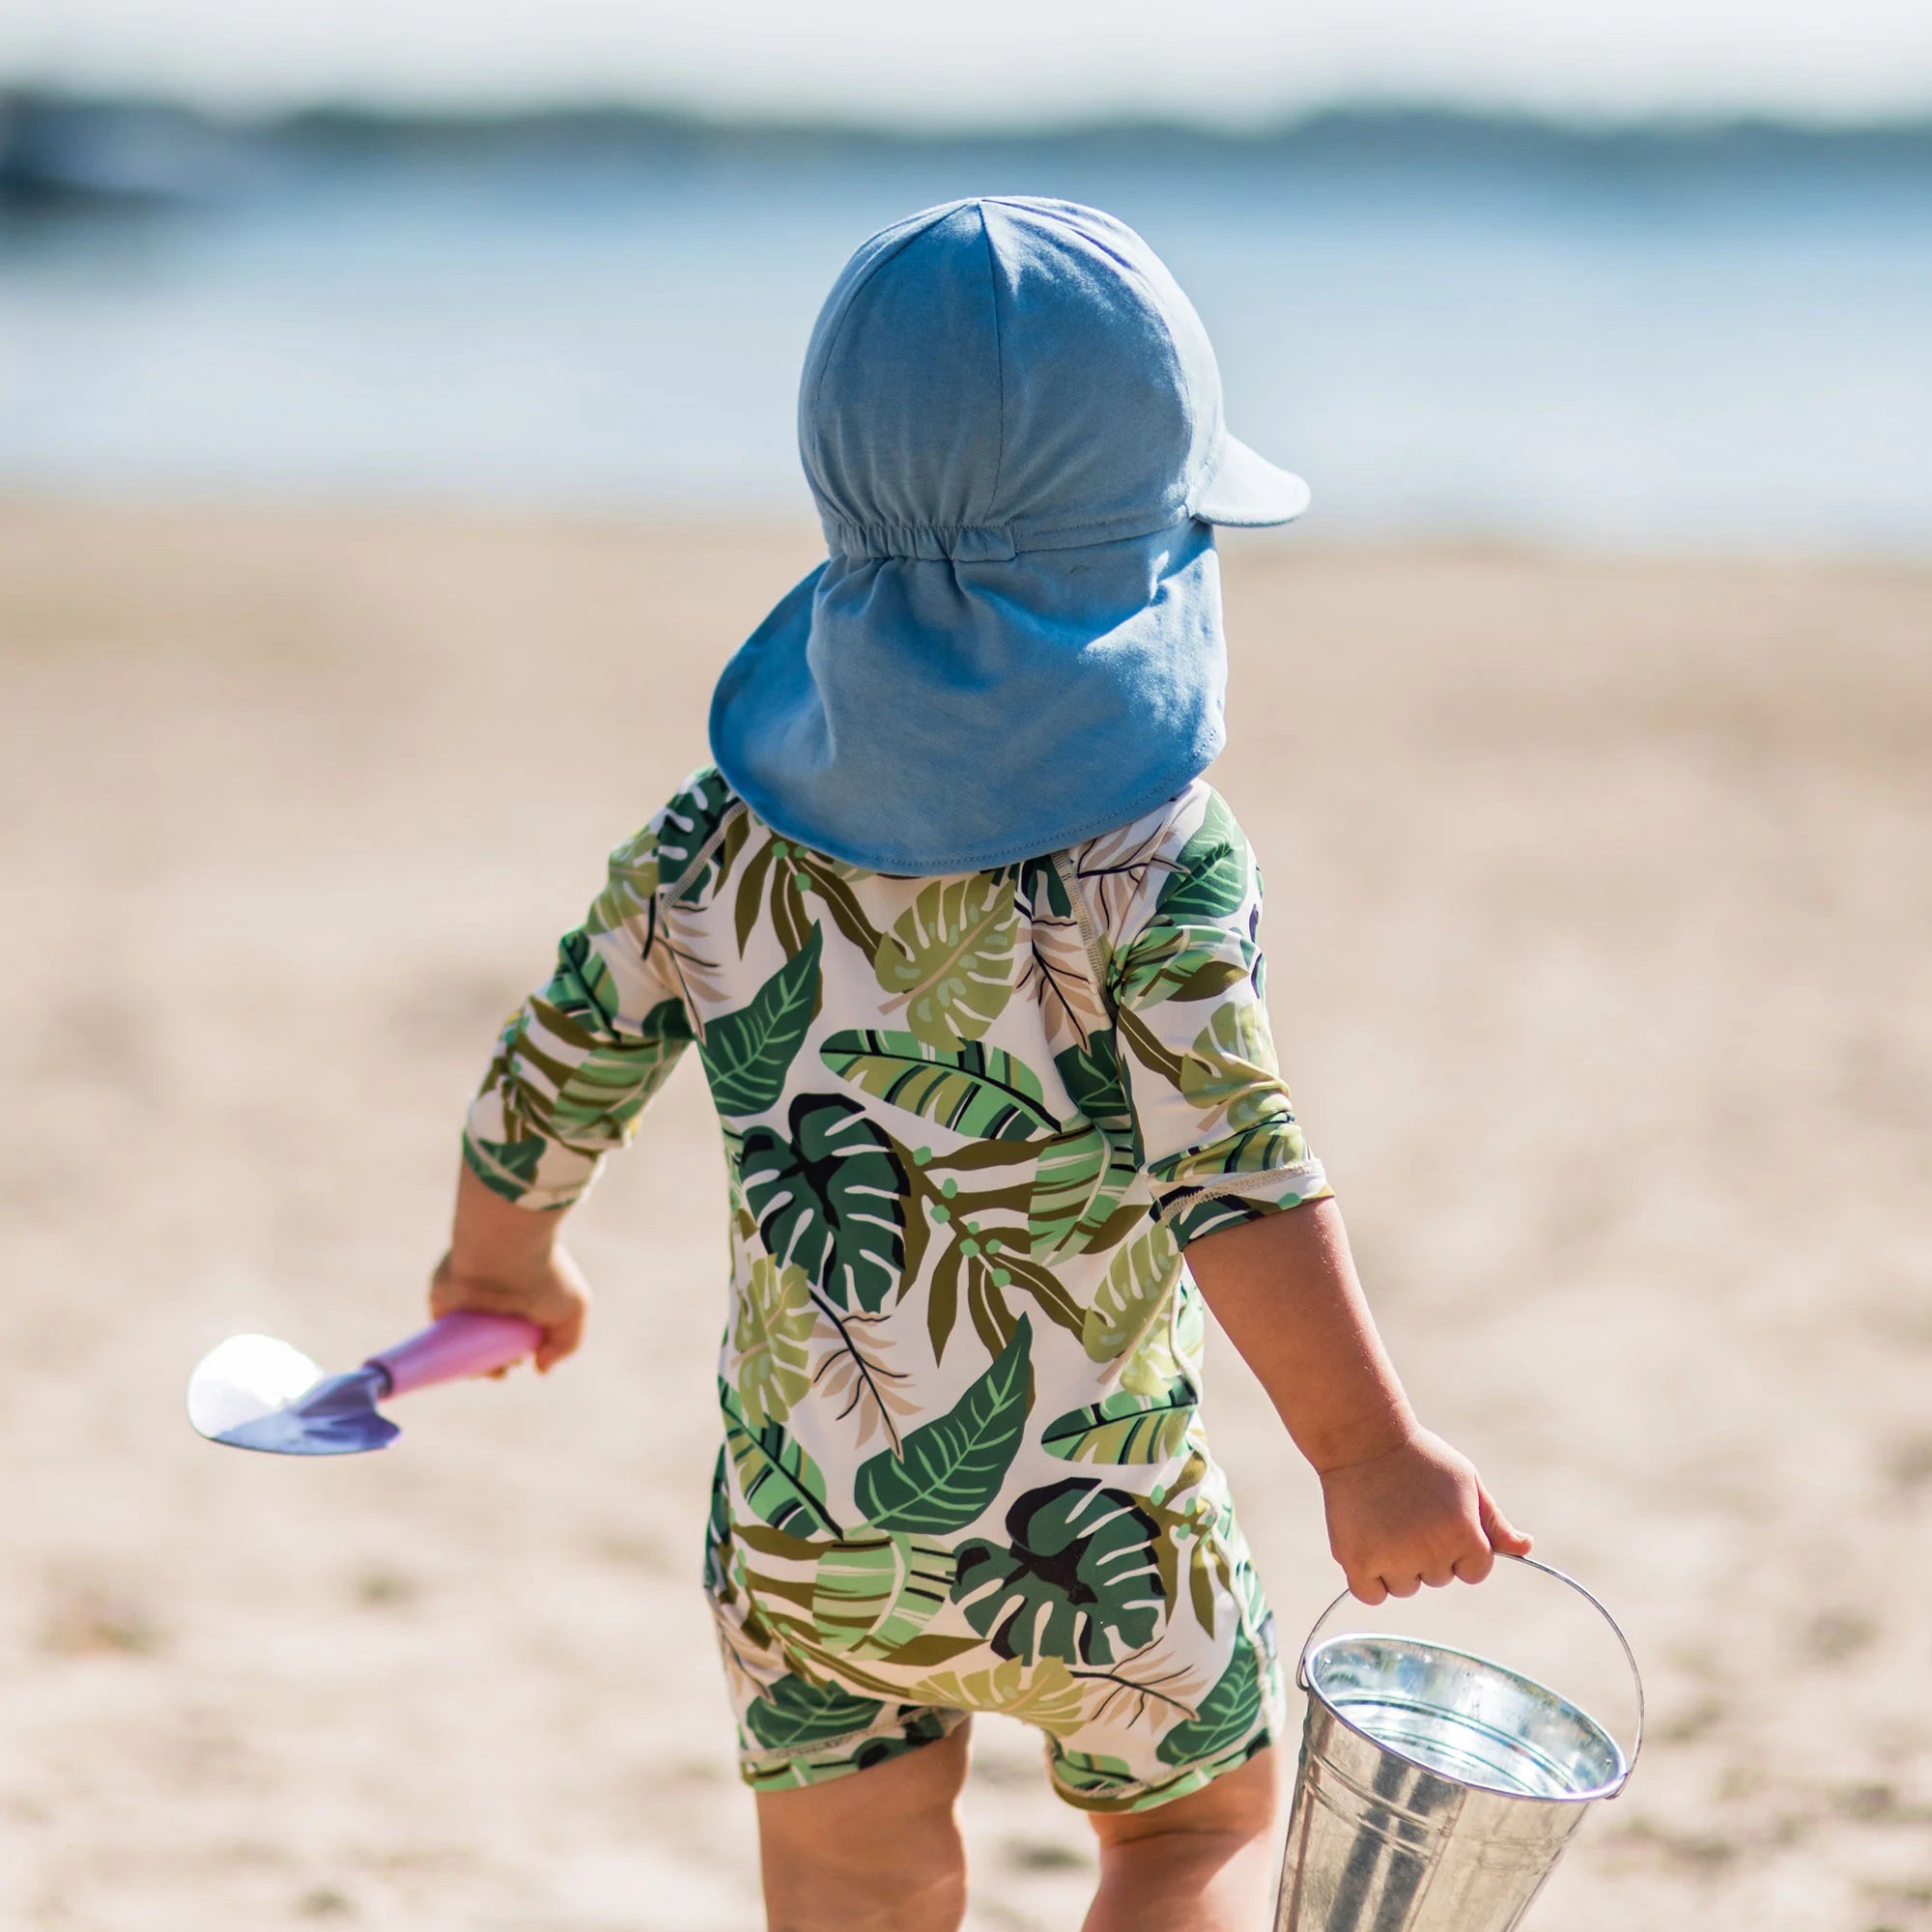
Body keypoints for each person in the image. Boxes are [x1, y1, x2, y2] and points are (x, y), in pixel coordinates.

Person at [435, 198, 1531, 1932]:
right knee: (1192, 1832)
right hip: (1098, 1523)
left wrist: (500, 1267)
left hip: (805, 1530)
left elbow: (554, 1062)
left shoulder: (714, 839)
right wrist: (1366, 1451)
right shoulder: (1152, 861)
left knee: (848, 1867)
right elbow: (1230, 1164)